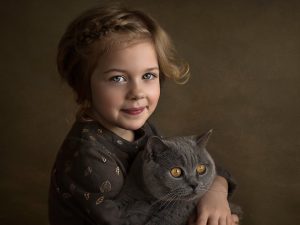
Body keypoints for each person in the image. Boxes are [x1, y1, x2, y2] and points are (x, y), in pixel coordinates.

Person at [48, 4, 239, 225]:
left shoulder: (143, 129)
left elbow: (189, 168)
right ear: (84, 85)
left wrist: (214, 193)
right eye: (117, 78)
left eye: (148, 75)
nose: (137, 93)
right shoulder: (89, 158)